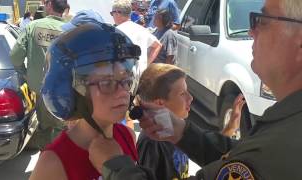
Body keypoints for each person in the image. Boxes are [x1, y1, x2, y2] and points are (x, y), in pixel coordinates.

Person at [88, 0, 302, 179]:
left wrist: (114, 166)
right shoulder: (285, 124)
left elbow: (252, 160)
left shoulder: (283, 143)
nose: (251, 31)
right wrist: (183, 132)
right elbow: (239, 156)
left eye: (261, 21)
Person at [29, 21, 141, 180]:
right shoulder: (53, 162)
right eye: (106, 83)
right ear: (72, 92)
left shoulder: (127, 135)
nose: (123, 92)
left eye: (127, 80)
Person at [136, 63, 245, 180]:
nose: (190, 98)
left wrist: (230, 128)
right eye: (182, 93)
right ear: (160, 104)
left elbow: (205, 150)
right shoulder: (152, 142)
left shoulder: (175, 132)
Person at [10, 0, 68, 150]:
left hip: (41, 89)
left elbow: (15, 56)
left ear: (49, 5)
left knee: (45, 128)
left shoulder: (32, 26)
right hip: (65, 91)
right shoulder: (71, 30)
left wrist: (25, 73)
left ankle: (48, 162)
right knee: (62, 128)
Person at [111, 0, 161, 72]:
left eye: (112, 13)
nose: (113, 16)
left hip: (125, 78)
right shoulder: (142, 30)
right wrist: (146, 64)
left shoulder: (116, 31)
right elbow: (158, 45)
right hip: (141, 75)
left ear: (117, 13)